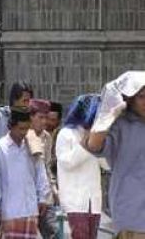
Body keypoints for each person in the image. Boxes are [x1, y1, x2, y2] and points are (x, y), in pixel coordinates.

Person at [86, 71, 145, 237]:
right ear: (131, 99)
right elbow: (94, 145)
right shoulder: (120, 126)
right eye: (141, 96)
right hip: (131, 215)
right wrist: (108, 115)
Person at [0, 107, 50, 239]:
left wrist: (43, 197)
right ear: (11, 127)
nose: (24, 132)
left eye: (27, 129)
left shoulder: (33, 145)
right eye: (21, 129)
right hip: (9, 211)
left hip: (30, 209)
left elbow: (41, 172)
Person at [55, 94, 102, 239]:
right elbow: (68, 163)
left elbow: (106, 164)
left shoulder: (96, 135)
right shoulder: (66, 134)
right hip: (75, 202)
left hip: (93, 202)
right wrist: (87, 142)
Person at [26, 99, 58, 239]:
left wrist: (54, 189)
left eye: (46, 117)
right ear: (30, 117)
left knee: (53, 232)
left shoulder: (47, 137)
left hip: (45, 194)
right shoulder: (22, 136)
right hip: (27, 196)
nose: (44, 121)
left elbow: (48, 166)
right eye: (41, 117)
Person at [0, 82, 33, 147]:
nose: (27, 105)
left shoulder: (30, 118)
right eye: (24, 101)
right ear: (14, 100)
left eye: (29, 101)